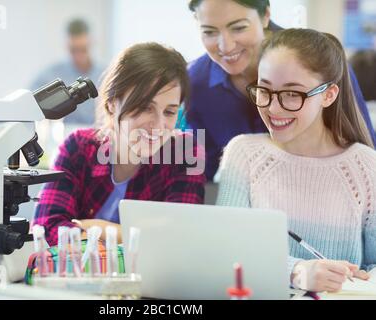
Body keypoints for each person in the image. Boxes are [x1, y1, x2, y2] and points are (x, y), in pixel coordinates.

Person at [216, 28, 376, 293]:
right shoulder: (243, 154)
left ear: (328, 95)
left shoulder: (367, 167)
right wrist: (296, 271)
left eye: (292, 94)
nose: (273, 108)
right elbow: (225, 251)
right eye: (264, 89)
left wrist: (359, 282)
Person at [181, 0, 376, 181]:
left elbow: (363, 150)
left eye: (238, 28)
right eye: (209, 32)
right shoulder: (196, 82)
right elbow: (195, 168)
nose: (226, 46)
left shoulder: (321, 63)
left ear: (265, 15)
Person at [33, 43, 206, 246]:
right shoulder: (78, 148)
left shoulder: (185, 153)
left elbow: (177, 238)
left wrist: (99, 228)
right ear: (112, 104)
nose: (159, 125)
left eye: (169, 112)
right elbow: (46, 228)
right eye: (145, 107)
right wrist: (134, 237)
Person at [31, 18, 105, 125]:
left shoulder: (105, 74)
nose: (78, 56)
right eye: (74, 50)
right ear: (66, 45)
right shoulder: (50, 75)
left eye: (83, 49)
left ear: (91, 43)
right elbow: (30, 105)